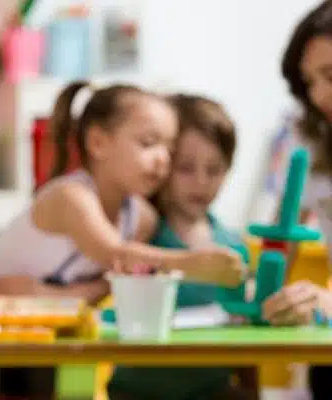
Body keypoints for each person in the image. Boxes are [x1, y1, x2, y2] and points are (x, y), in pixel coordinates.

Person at [0, 82, 245, 400]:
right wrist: (191, 264)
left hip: (46, 323)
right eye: (148, 143)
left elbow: (114, 276)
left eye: (169, 150)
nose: (162, 160)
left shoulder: (141, 218)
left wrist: (63, 297)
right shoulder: (70, 196)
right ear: (98, 143)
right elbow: (114, 254)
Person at [107, 94, 257, 400]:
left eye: (214, 169)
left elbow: (245, 341)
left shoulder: (233, 248)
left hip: (213, 392)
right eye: (186, 168)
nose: (201, 182)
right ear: (163, 165)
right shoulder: (142, 232)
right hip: (137, 393)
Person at [262, 1, 332, 397]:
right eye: (309, 81)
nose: (318, 95)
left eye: (330, 75)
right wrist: (262, 296)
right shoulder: (312, 142)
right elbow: (283, 231)